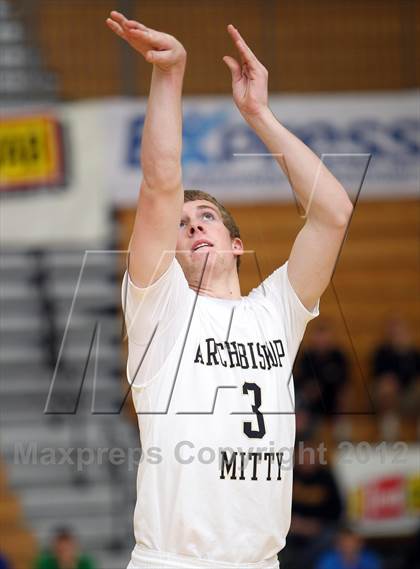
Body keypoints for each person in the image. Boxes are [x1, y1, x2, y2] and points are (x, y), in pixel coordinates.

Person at [106, 9, 353, 569]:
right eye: (183, 222)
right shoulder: (158, 306)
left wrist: (260, 115)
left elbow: (332, 214)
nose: (193, 225)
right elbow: (160, 182)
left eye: (207, 217)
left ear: (236, 245)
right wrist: (170, 75)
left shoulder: (277, 312)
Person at [283, 443, 343, 569]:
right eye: (303, 454)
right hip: (291, 526)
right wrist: (293, 523)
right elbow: (277, 505)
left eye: (309, 455)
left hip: (319, 528)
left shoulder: (326, 477)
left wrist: (316, 524)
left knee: (327, 538)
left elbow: (337, 509)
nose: (306, 458)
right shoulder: (288, 476)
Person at [316, 525, 381, 569]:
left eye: (352, 543)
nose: (349, 547)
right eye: (344, 544)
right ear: (337, 545)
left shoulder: (370, 560)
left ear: (361, 543)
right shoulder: (327, 561)